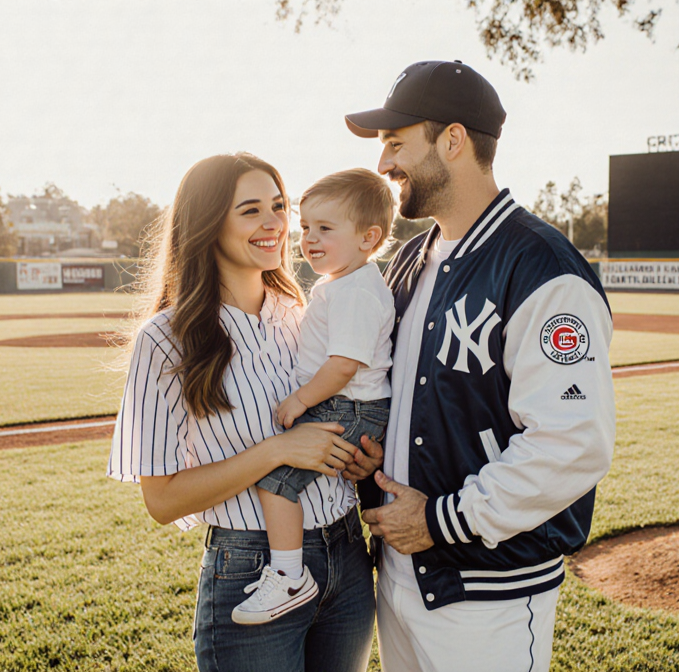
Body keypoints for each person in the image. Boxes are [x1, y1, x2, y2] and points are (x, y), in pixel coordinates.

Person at [346, 61, 616, 671]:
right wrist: (377, 455)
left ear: (453, 140)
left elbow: (573, 441)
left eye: (395, 143)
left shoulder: (542, 267)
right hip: (400, 570)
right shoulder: (412, 256)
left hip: (486, 593)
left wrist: (442, 520)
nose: (384, 164)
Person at [106, 153, 381, 672]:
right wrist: (275, 451)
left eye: (279, 206)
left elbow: (342, 411)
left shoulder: (303, 315)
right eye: (250, 210)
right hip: (251, 568)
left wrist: (356, 460)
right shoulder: (167, 340)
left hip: (346, 554)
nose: (274, 223)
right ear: (209, 225)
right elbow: (162, 500)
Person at [233, 168, 396, 625]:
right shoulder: (338, 285)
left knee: (277, 481)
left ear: (369, 237)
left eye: (326, 228)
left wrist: (301, 400)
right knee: (286, 477)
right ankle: (293, 569)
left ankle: (288, 574)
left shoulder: (357, 292)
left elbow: (345, 364)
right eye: (306, 227)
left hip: (348, 403)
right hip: (346, 401)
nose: (309, 238)